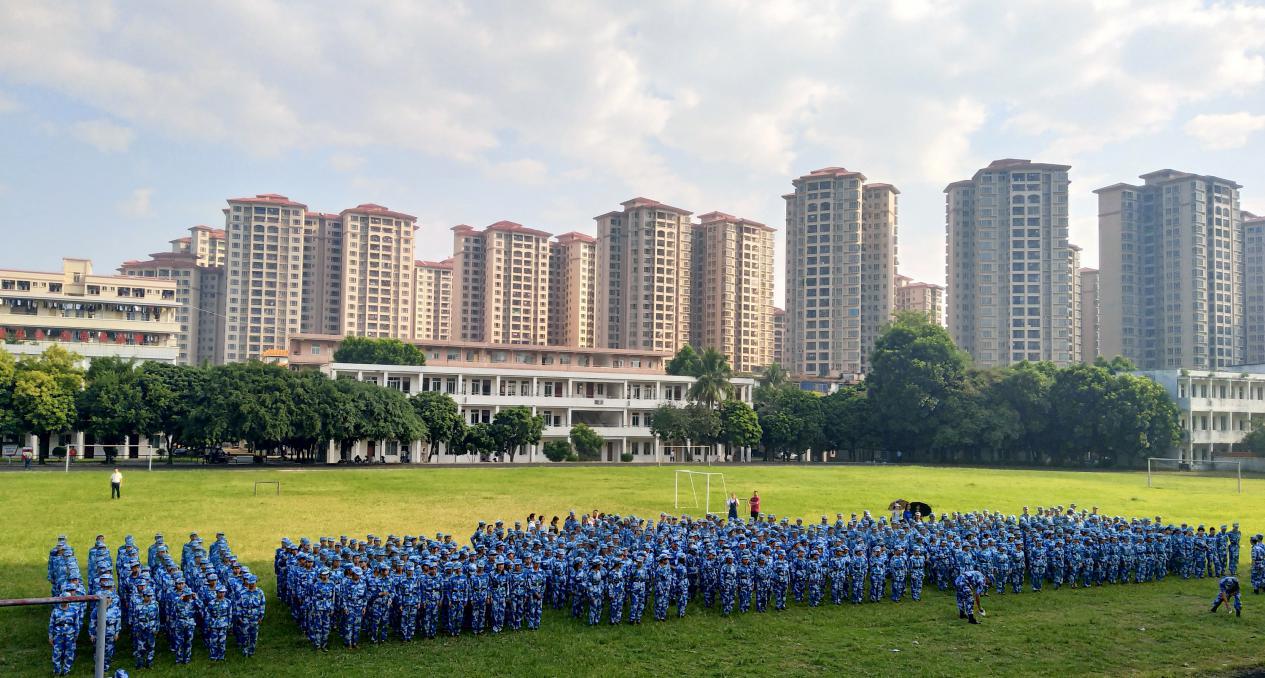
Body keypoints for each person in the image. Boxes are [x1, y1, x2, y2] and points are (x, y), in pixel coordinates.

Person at [49, 599, 79, 676]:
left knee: (69, 653)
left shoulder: (73, 610)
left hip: (70, 635)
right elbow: (51, 624)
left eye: (67, 600)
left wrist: (76, 635)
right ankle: (57, 671)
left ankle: (66, 671)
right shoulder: (55, 611)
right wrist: (50, 636)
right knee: (56, 653)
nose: (65, 602)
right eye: (63, 600)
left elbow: (76, 624)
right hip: (58, 635)